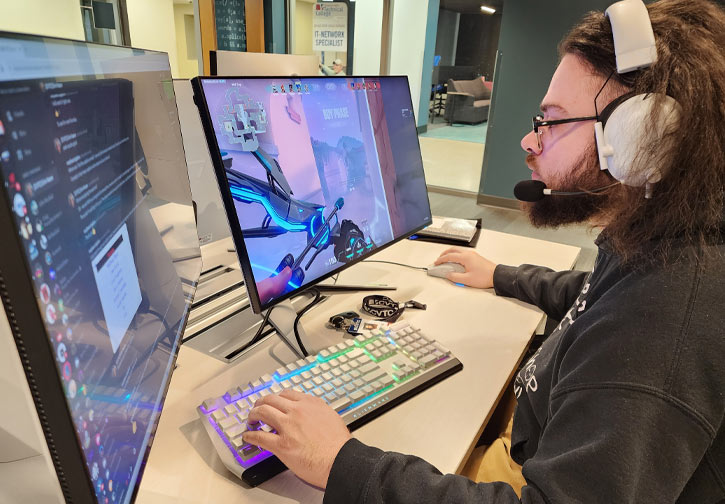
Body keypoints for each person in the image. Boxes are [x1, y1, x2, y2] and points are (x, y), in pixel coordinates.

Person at [242, 0, 725, 501]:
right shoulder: (664, 244)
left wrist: (342, 463)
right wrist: (501, 275)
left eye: (552, 121)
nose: (529, 140)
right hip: (537, 429)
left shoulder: (663, 323)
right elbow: (596, 298)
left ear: (640, 136)